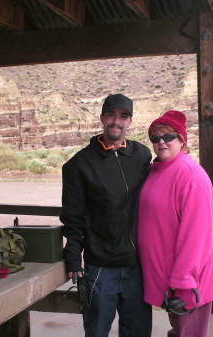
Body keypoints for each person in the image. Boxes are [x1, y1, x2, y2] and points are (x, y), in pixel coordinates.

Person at [60, 93, 153, 337]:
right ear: (102, 118)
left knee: (138, 332)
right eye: (111, 115)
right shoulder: (79, 164)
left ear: (130, 122)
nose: (116, 121)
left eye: (123, 116)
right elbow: (72, 215)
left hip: (137, 265)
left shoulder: (142, 155)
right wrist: (73, 254)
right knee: (97, 331)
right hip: (100, 266)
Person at [138, 110, 213, 337]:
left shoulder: (190, 175)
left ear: (182, 140)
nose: (161, 142)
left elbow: (197, 236)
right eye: (155, 138)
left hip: (187, 282)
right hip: (170, 280)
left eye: (168, 136)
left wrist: (184, 282)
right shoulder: (157, 170)